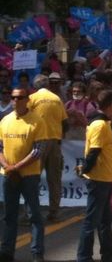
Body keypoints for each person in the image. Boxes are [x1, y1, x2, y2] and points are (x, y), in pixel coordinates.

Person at [0, 87, 47, 262]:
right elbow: (0, 147)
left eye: (19, 98)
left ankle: (37, 253)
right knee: (9, 215)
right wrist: (7, 167)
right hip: (7, 175)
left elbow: (38, 150)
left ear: (27, 99)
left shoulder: (37, 121)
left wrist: (16, 167)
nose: (15, 100)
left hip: (28, 175)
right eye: (12, 97)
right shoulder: (5, 120)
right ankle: (6, 251)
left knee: (33, 214)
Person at [75, 90, 112, 262]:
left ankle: (108, 254)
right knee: (92, 221)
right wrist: (86, 169)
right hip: (99, 179)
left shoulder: (103, 123)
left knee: (104, 220)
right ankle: (84, 256)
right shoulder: (100, 125)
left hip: (105, 178)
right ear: (109, 105)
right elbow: (94, 151)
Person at [28, 74, 68, 222]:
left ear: (35, 86)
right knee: (54, 179)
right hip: (55, 142)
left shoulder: (32, 99)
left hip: (38, 141)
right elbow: (66, 123)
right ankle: (54, 212)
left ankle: (31, 213)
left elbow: (25, 119)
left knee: (32, 178)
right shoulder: (57, 99)